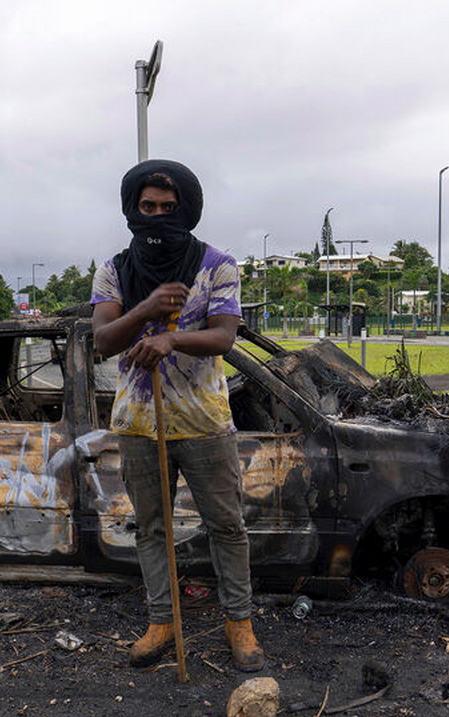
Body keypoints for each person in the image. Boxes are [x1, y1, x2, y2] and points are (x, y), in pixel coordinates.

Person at [90, 159, 264, 673]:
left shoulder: (217, 265)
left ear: (187, 208)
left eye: (168, 208)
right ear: (132, 209)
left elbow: (224, 337)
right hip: (141, 423)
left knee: (227, 526)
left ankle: (240, 625)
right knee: (152, 527)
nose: (158, 215)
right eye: (148, 207)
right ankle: (162, 622)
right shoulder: (114, 270)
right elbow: (103, 340)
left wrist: (171, 338)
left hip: (205, 422)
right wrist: (146, 310)